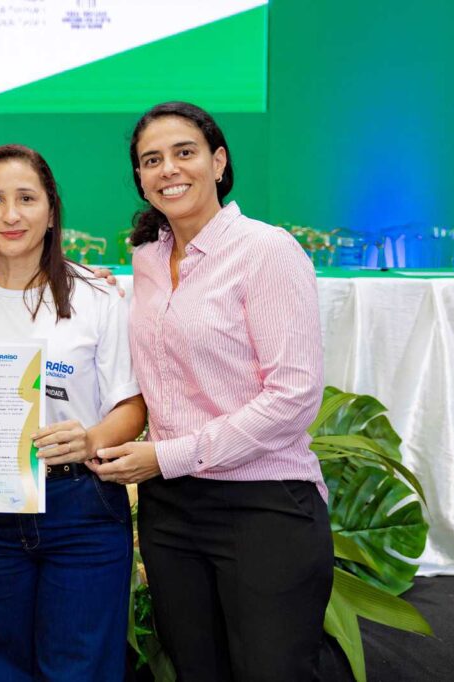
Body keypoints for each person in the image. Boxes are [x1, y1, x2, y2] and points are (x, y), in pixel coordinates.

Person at [87, 102, 334, 681]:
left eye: (185, 153)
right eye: (152, 160)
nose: (169, 169)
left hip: (264, 503)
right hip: (171, 510)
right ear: (140, 178)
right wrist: (91, 287)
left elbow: (294, 396)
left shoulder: (265, 250)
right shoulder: (146, 261)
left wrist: (167, 455)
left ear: (219, 162)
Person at [0, 144, 147, 680]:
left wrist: (92, 438)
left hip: (81, 507)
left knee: (81, 668)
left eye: (26, 199)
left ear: (52, 211)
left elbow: (131, 405)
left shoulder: (96, 297)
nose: (11, 215)